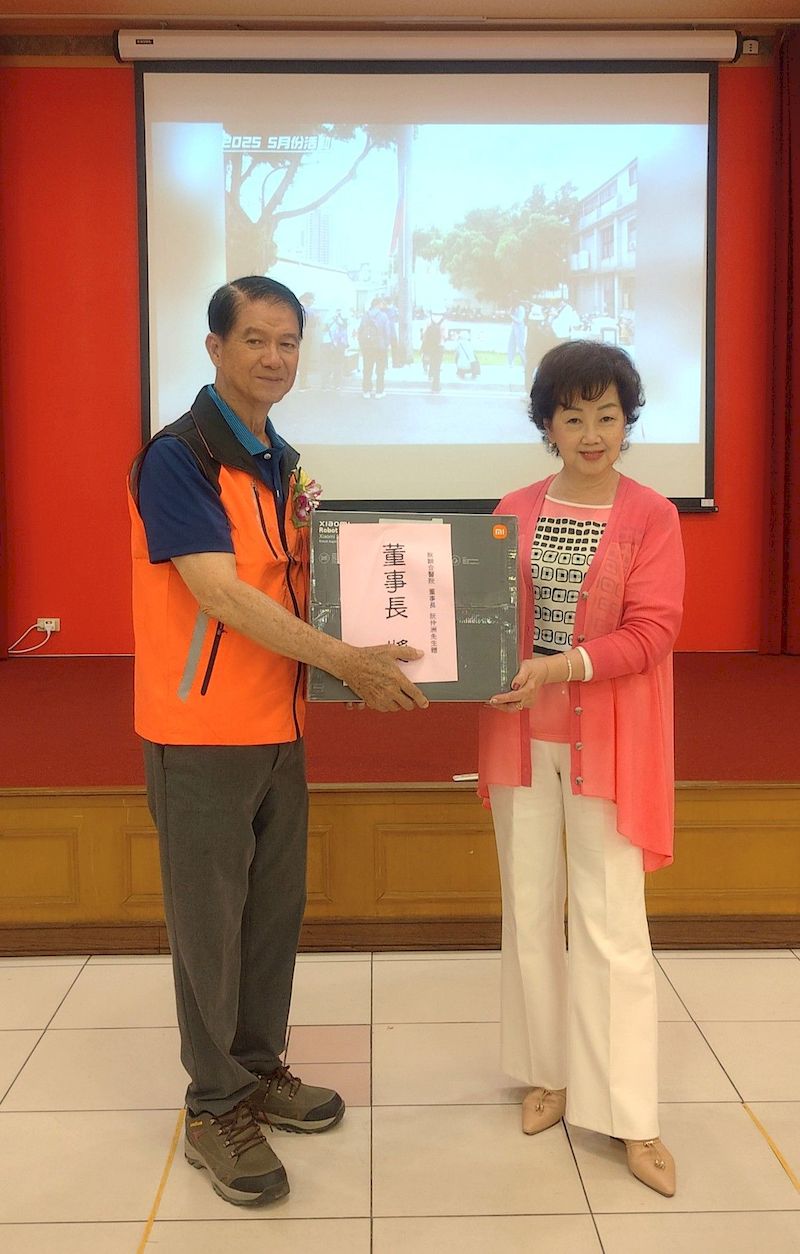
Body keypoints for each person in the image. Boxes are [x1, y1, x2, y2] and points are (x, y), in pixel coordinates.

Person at [128, 276, 428, 1208]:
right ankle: (214, 1104)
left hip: (279, 724)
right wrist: (349, 661)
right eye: (255, 339)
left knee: (268, 919)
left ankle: (257, 1071)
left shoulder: (278, 458)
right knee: (209, 929)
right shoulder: (178, 457)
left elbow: (300, 580)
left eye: (288, 342)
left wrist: (367, 652)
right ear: (215, 348)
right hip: (201, 731)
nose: (274, 357)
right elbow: (219, 592)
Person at [478, 339, 684, 1198]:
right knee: (530, 912)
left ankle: (631, 1115)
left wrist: (561, 667)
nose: (592, 433)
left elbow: (653, 632)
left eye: (607, 415)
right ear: (548, 425)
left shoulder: (652, 516)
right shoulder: (512, 509)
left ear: (628, 422)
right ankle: (549, 1073)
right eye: (573, 416)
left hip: (611, 745)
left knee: (611, 927)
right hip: (521, 739)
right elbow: (485, 619)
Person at [358, 296, 391, 398]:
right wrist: (386, 344)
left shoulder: (365, 316)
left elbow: (360, 330)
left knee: (367, 369)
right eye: (381, 304)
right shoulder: (383, 316)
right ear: (378, 304)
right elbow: (387, 332)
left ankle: (366, 391)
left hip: (367, 346)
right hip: (380, 346)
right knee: (380, 370)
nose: (382, 306)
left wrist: (362, 344)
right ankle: (379, 392)